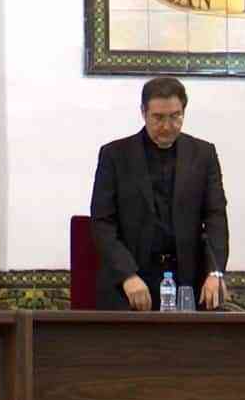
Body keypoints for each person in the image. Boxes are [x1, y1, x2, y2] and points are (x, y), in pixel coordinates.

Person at [90, 76, 230, 311]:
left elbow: (215, 216)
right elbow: (102, 223)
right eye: (158, 118)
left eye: (175, 116)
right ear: (143, 112)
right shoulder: (115, 155)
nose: (167, 126)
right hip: (130, 282)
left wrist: (215, 272)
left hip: (189, 281)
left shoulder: (203, 154)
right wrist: (127, 275)